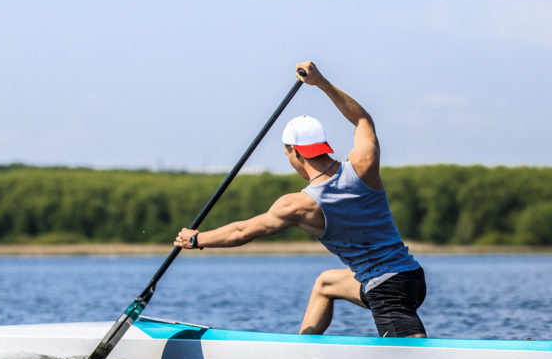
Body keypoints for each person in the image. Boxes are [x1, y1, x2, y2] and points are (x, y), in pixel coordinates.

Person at [174, 61, 427, 338]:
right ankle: (304, 349)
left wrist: (195, 239)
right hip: (412, 276)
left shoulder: (298, 204)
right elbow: (362, 120)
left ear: (294, 152)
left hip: (386, 289)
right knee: (326, 283)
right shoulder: (363, 165)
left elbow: (241, 231)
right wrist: (321, 83)